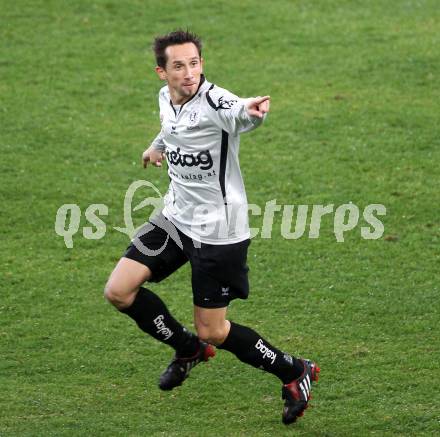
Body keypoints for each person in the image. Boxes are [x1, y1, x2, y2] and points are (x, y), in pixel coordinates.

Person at [104, 29, 319, 425]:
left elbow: (236, 110)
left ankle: (294, 371)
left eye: (195, 63)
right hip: (174, 217)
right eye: (179, 66)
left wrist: (252, 110)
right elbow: (174, 128)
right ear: (161, 72)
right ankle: (187, 349)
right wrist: (158, 147)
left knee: (214, 330)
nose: (189, 73)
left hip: (218, 232)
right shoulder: (165, 98)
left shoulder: (214, 100)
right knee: (118, 291)